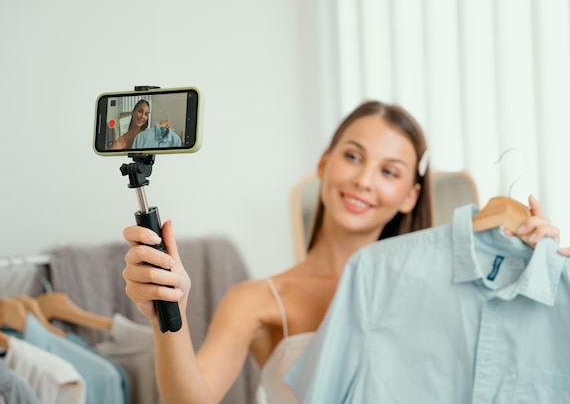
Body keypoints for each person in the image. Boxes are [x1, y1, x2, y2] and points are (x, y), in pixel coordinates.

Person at [120, 100, 568, 404]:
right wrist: (168, 310)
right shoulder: (256, 302)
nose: (364, 180)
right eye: (353, 157)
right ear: (324, 163)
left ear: (411, 195)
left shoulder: (448, 287)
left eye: (389, 171)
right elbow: (190, 400)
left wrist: (532, 265)